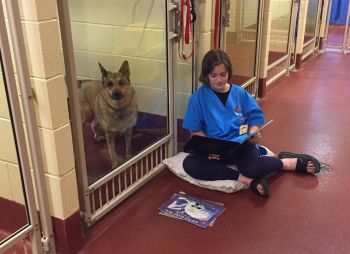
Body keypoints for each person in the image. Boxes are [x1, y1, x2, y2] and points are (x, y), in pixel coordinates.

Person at [182, 49, 321, 197]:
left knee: (252, 168)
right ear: (206, 75)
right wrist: (209, 149)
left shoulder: (239, 93)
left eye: (223, 75)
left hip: (238, 146)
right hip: (213, 151)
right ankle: (247, 181)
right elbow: (195, 131)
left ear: (229, 73)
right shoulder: (197, 98)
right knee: (190, 165)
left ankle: (287, 163)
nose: (219, 80)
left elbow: (255, 116)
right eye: (213, 75)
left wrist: (252, 130)